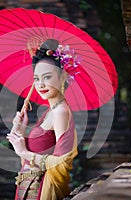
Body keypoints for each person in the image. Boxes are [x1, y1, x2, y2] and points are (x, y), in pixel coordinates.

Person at [6, 39, 78, 200]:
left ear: (62, 77)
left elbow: (62, 163)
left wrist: (24, 151)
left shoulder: (61, 112)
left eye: (47, 77)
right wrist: (21, 131)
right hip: (27, 189)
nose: (40, 84)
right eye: (36, 78)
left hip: (41, 191)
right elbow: (31, 160)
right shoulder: (49, 111)